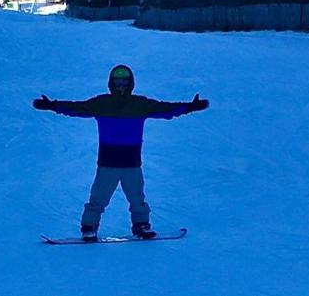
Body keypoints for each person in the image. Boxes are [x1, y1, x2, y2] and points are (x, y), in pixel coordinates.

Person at [33, 65, 209, 241]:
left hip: (131, 163)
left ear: (131, 83)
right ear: (111, 83)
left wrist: (189, 107)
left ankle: (141, 225)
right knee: (98, 198)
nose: (121, 84)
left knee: (137, 198)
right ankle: (89, 227)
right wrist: (52, 105)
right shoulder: (101, 103)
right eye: (117, 81)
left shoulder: (140, 104)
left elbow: (166, 109)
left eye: (125, 80)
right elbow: (76, 108)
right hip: (108, 162)